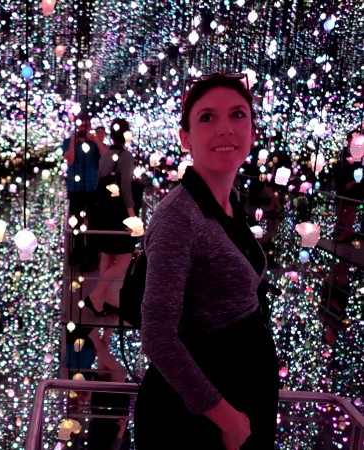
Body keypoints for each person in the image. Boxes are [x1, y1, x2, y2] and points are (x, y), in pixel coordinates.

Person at [134, 74, 279, 449]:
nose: (226, 129)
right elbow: (158, 336)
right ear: (185, 139)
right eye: (207, 118)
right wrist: (227, 419)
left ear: (252, 131)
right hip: (199, 418)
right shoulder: (179, 217)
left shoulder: (227, 202)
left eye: (237, 114)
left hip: (237, 398)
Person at [84, 119, 137, 316]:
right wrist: (132, 217)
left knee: (107, 254)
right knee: (124, 258)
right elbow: (125, 189)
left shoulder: (106, 155)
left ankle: (107, 300)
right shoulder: (126, 156)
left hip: (103, 213)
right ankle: (96, 295)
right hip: (119, 214)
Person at [63, 117, 100, 265]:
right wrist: (73, 141)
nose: (84, 128)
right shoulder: (68, 142)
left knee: (92, 221)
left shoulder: (93, 142)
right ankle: (77, 252)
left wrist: (96, 139)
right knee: (76, 222)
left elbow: (104, 156)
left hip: (91, 187)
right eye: (81, 125)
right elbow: (70, 160)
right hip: (76, 188)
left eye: (87, 125)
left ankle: (91, 254)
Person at [332, 130, 363, 242]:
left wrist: (354, 181)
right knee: (339, 210)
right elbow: (339, 165)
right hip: (343, 182)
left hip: (354, 183)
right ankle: (349, 231)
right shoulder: (345, 151)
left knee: (350, 209)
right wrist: (335, 180)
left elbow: (361, 168)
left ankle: (346, 234)